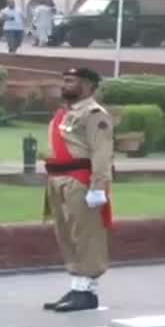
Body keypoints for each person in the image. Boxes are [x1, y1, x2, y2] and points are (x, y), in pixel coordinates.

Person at [42, 67, 113, 312]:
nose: (65, 85)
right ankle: (77, 286)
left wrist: (98, 186)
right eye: (64, 80)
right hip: (58, 178)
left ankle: (87, 292)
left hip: (79, 179)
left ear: (88, 85)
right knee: (66, 234)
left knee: (85, 235)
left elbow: (101, 152)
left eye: (71, 81)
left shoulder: (94, 114)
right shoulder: (65, 113)